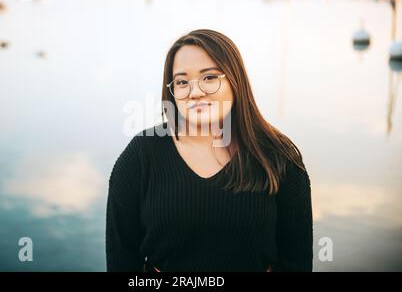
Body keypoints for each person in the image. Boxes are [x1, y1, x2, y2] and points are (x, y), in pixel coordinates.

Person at [106, 29, 313, 272]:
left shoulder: (279, 156)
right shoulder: (141, 156)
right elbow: (122, 262)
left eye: (209, 77)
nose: (195, 92)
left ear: (236, 80)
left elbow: (296, 262)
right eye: (182, 82)